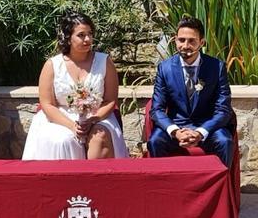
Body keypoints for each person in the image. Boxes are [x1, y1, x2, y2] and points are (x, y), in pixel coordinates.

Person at [21, 13, 130, 161]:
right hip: (61, 118)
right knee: (63, 141)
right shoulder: (52, 65)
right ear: (68, 38)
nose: (88, 39)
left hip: (98, 115)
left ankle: (98, 181)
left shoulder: (105, 62)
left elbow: (110, 101)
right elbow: (47, 104)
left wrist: (93, 119)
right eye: (81, 35)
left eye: (90, 34)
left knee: (100, 137)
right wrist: (72, 126)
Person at [146, 16, 235, 167]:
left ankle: (219, 189)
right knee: (155, 141)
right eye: (181, 40)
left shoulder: (216, 67)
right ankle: (163, 188)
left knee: (224, 141)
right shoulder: (165, 68)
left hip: (207, 127)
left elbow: (223, 110)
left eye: (192, 41)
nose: (185, 45)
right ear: (175, 40)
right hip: (177, 125)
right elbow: (157, 110)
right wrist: (176, 132)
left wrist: (200, 132)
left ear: (202, 42)